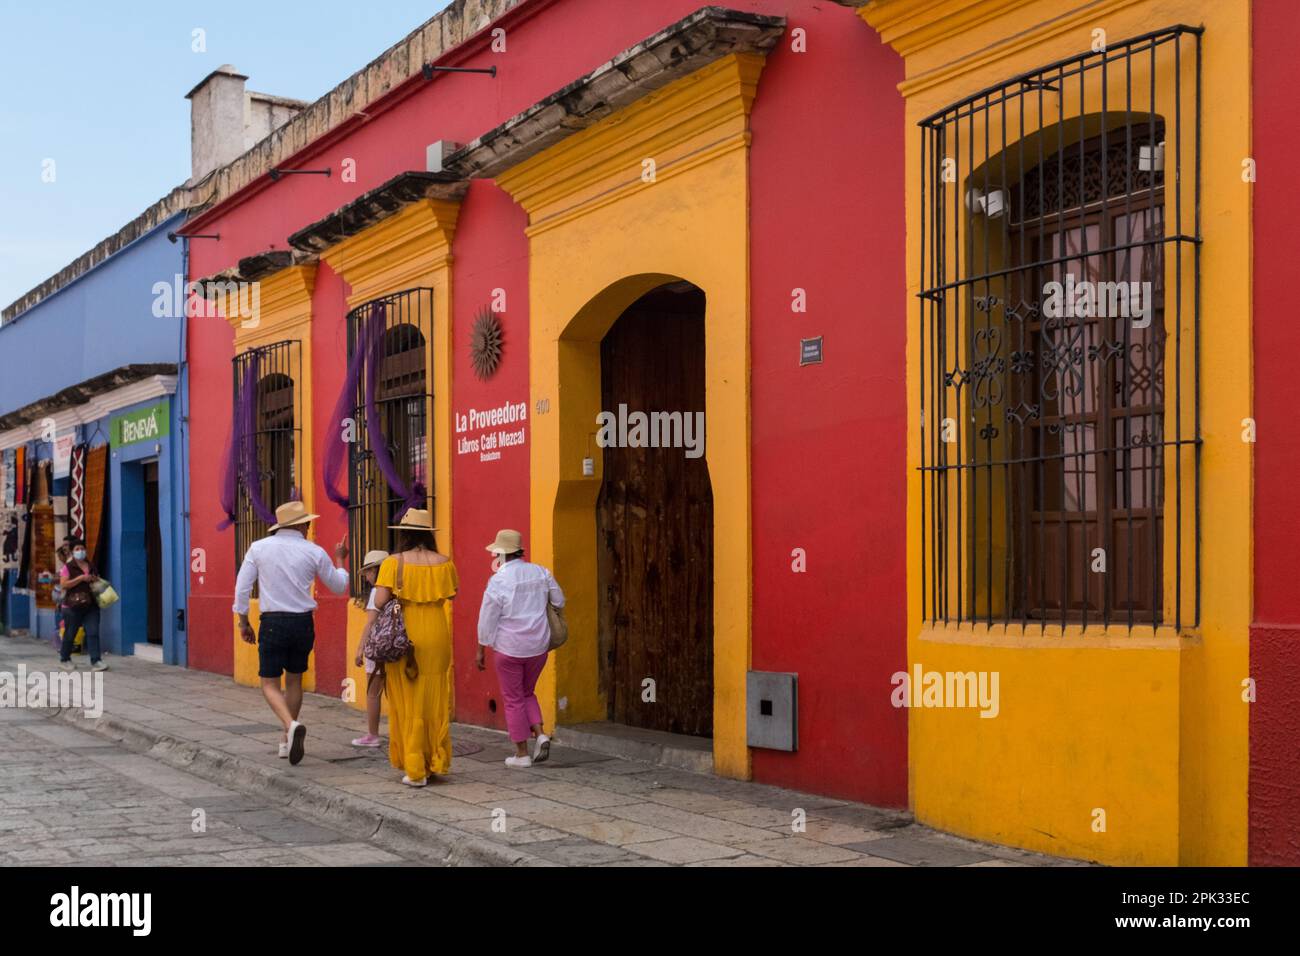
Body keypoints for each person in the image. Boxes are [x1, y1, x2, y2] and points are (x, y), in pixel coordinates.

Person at [233, 500, 348, 766]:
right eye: (307, 522)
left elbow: (242, 589)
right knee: (294, 681)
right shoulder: (314, 551)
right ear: (300, 524)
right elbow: (340, 586)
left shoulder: (259, 548)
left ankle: (290, 725)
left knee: (269, 683)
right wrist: (341, 559)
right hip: (303, 623)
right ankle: (286, 740)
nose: (309, 526)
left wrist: (243, 622)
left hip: (273, 622)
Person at [371, 509, 457, 787]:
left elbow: (381, 600)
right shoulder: (445, 562)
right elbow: (451, 593)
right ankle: (434, 760)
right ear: (429, 534)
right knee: (434, 697)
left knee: (408, 700)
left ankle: (415, 766)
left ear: (404, 534)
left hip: (405, 636)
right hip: (436, 632)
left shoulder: (392, 564)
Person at [476, 529, 564, 768]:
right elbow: (559, 601)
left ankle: (522, 753)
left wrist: (481, 649)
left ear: (502, 555)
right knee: (527, 693)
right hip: (538, 646)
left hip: (509, 648)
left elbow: (487, 618)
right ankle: (541, 734)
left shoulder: (498, 581)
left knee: (513, 698)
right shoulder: (540, 572)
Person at [351, 549, 389, 748]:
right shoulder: (399, 588)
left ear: (376, 570)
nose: (366, 576)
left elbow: (371, 623)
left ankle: (373, 735)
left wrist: (360, 648)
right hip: (398, 645)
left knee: (373, 692)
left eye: (367, 571)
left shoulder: (377, 591)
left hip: (378, 646)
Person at [57, 538, 105, 671]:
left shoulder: (91, 565)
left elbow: (96, 580)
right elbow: (64, 584)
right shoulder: (67, 567)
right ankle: (65, 659)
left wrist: (95, 579)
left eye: (82, 549)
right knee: (70, 633)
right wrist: (80, 578)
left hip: (91, 605)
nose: (80, 551)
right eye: (77, 549)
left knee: (93, 632)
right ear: (72, 552)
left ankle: (96, 661)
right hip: (72, 606)